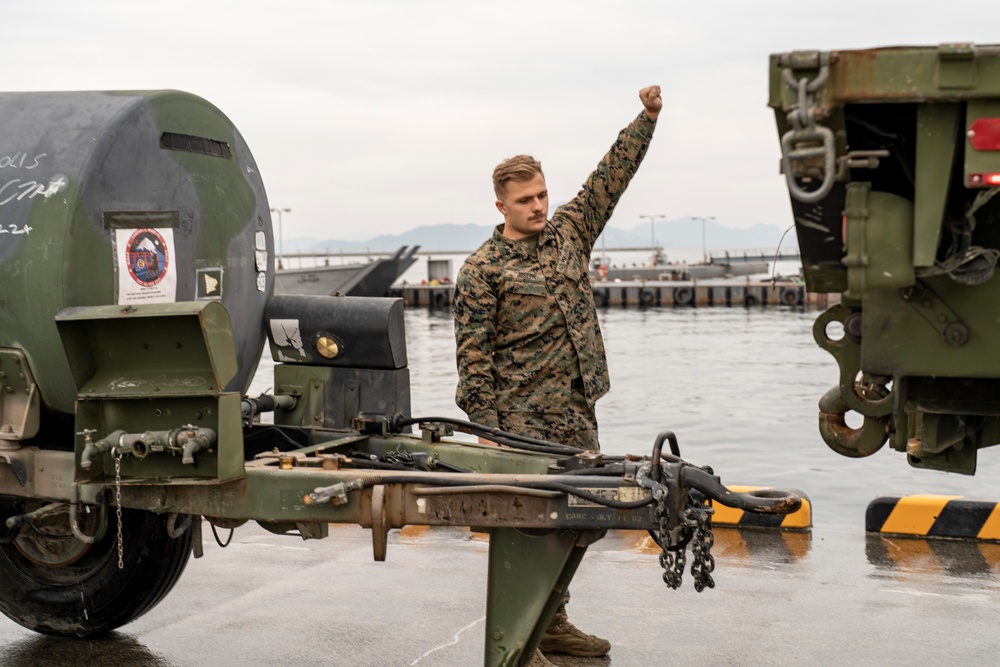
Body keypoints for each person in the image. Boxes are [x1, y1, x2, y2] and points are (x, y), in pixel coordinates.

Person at [452, 86, 661, 665]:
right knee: (524, 529)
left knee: (576, 522)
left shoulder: (569, 232)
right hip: (520, 424)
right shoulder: (482, 271)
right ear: (501, 206)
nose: (539, 206)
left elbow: (610, 177)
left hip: (575, 411)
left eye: (542, 194)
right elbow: (473, 359)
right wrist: (489, 430)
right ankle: (519, 637)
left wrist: (646, 119)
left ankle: (551, 621)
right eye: (525, 200)